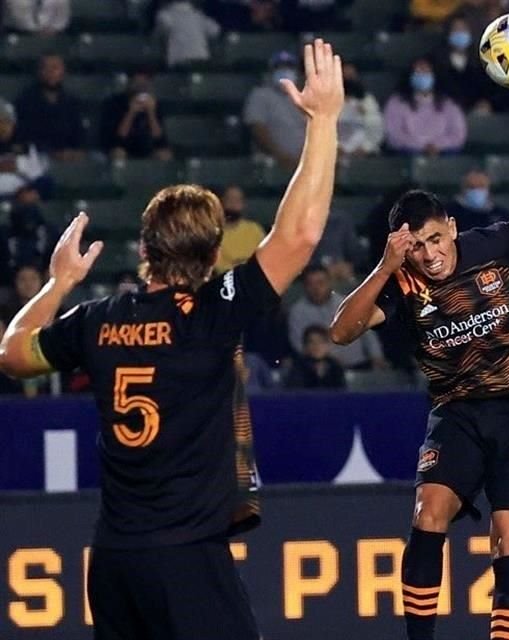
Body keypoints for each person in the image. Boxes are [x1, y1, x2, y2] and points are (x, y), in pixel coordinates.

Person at [0, 38, 343, 639]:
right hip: (187, 559)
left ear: (143, 250)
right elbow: (301, 234)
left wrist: (57, 284)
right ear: (214, 255)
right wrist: (323, 121)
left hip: (113, 561)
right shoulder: (213, 313)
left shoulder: (97, 319)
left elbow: (12, 353)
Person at [330, 190, 509, 640]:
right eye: (416, 245)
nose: (430, 254)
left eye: (436, 238)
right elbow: (340, 332)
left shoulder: (499, 241)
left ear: (451, 227)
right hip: (457, 411)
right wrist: (384, 268)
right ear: (401, 246)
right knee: (427, 513)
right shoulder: (401, 283)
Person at [288, 264, 387, 370]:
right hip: (318, 369)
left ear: (330, 282)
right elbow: (298, 344)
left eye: (320, 283)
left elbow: (368, 334)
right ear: (304, 286)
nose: (316, 288)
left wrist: (377, 356)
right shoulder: (297, 312)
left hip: (358, 366)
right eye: (310, 284)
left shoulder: (348, 304)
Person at [383, 58, 467, 155]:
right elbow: (394, 136)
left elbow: (458, 135)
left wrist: (437, 145)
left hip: (444, 153)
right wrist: (422, 146)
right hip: (408, 154)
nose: (422, 76)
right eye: (418, 72)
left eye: (426, 72)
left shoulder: (448, 104)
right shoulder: (396, 102)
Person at [243, 51, 307, 170]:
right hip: (274, 160)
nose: (285, 71)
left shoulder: (303, 95)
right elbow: (257, 127)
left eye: (289, 67)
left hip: (306, 161)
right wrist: (279, 154)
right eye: (280, 67)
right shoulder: (260, 94)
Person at [13, 54, 86, 160]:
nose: (50, 72)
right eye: (45, 68)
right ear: (39, 72)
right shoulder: (25, 102)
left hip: (69, 158)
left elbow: (79, 134)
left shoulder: (72, 102)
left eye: (55, 68)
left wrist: (75, 151)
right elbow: (23, 138)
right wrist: (51, 153)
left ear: (63, 71)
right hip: (36, 158)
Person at [100, 67, 173, 161]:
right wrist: (131, 113)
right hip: (121, 147)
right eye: (137, 83)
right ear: (130, 83)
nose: (141, 87)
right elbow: (117, 139)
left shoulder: (155, 104)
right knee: (118, 153)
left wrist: (151, 113)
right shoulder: (114, 103)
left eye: (145, 83)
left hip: (146, 148)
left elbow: (160, 139)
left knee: (165, 155)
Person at [155, 0, 222, 69]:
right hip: (201, 60)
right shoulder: (198, 16)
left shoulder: (164, 15)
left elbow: (161, 35)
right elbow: (215, 30)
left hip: (179, 61)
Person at [215, 185, 266, 274]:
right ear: (222, 202)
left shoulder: (255, 230)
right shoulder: (213, 234)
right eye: (230, 199)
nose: (233, 204)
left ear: (243, 204)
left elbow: (266, 260)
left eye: (237, 200)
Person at [338, 63, 384, 156]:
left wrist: (366, 147)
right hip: (335, 153)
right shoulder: (327, 101)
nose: (348, 79)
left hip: (363, 153)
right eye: (345, 75)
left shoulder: (367, 100)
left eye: (351, 76)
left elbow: (377, 128)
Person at [445, 168, 509, 230]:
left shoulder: (502, 216)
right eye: (471, 187)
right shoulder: (449, 213)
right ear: (462, 188)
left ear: (489, 188)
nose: (476, 190)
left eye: (481, 186)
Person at [285, 325, 346, 389]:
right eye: (311, 342)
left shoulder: (335, 367)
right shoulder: (297, 366)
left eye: (321, 342)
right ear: (305, 346)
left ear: (328, 345)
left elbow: (342, 392)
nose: (316, 346)